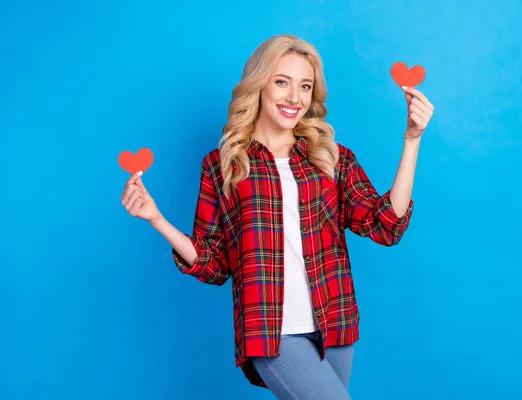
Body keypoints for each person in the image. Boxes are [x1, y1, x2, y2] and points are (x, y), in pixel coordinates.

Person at [120, 34, 433, 399]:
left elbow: (386, 225)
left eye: (305, 86)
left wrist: (412, 140)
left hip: (335, 322)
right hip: (270, 330)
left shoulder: (330, 157)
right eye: (282, 82)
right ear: (259, 85)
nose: (294, 98)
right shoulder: (224, 167)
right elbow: (214, 263)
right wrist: (157, 219)